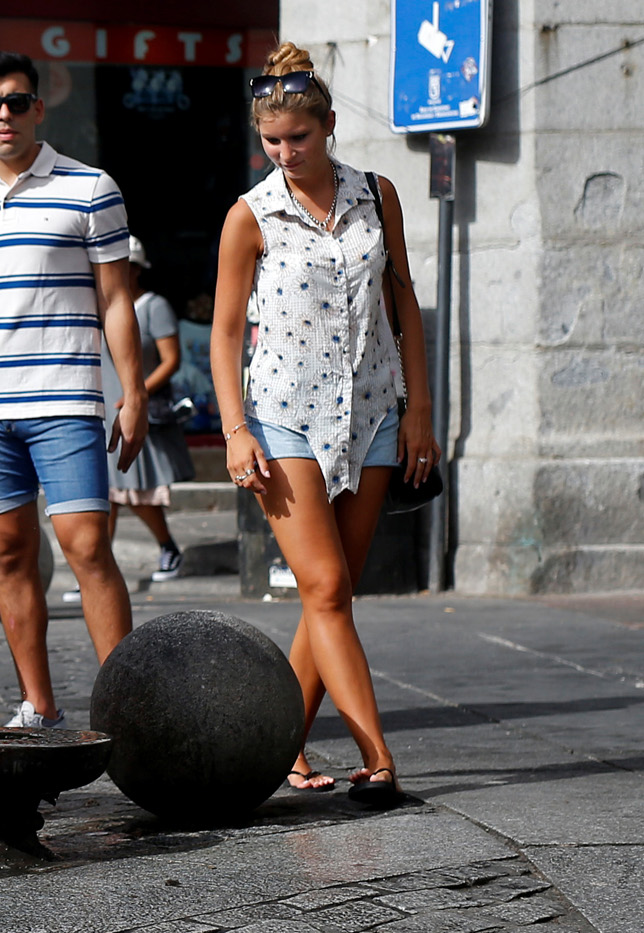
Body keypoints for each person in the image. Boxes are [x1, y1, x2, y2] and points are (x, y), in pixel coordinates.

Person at [208, 43, 439, 805]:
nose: (285, 153)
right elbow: (224, 335)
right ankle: (378, 757)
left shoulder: (379, 193)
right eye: (272, 142)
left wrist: (420, 413)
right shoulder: (250, 215)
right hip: (283, 419)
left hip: (373, 414)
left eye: (298, 139)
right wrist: (234, 428)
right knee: (328, 583)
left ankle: (284, 746)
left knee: (327, 596)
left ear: (328, 125)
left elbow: (402, 301)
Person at [0, 51, 147, 728]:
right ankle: (38, 704)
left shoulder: (91, 187)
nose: (4, 115)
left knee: (86, 546)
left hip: (64, 400)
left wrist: (133, 393)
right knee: (9, 557)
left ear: (39, 107)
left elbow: (118, 302)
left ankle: (129, 708)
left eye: (17, 102)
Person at [103, 236, 195, 581]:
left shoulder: (153, 306)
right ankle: (98, 569)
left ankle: (167, 546)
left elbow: (171, 360)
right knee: (106, 495)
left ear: (135, 269)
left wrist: (136, 393)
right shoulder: (98, 305)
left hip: (135, 409)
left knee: (135, 490)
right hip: (104, 410)